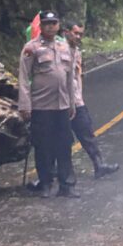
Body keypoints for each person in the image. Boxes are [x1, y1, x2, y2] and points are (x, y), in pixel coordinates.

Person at [18, 11, 77, 198]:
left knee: (64, 146)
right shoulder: (32, 48)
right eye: (46, 23)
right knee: (43, 147)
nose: (50, 26)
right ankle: (45, 183)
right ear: (41, 26)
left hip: (62, 106)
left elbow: (70, 77)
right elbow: (23, 77)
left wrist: (72, 103)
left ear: (58, 25)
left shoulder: (64, 46)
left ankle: (66, 185)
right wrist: (25, 106)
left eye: (54, 23)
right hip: (41, 106)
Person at [61, 19, 120, 188]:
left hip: (76, 100)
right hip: (60, 101)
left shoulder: (77, 52)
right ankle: (54, 174)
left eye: (81, 34)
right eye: (76, 33)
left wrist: (79, 96)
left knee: (87, 132)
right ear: (66, 32)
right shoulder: (58, 50)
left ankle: (99, 165)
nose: (78, 37)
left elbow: (78, 75)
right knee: (61, 139)